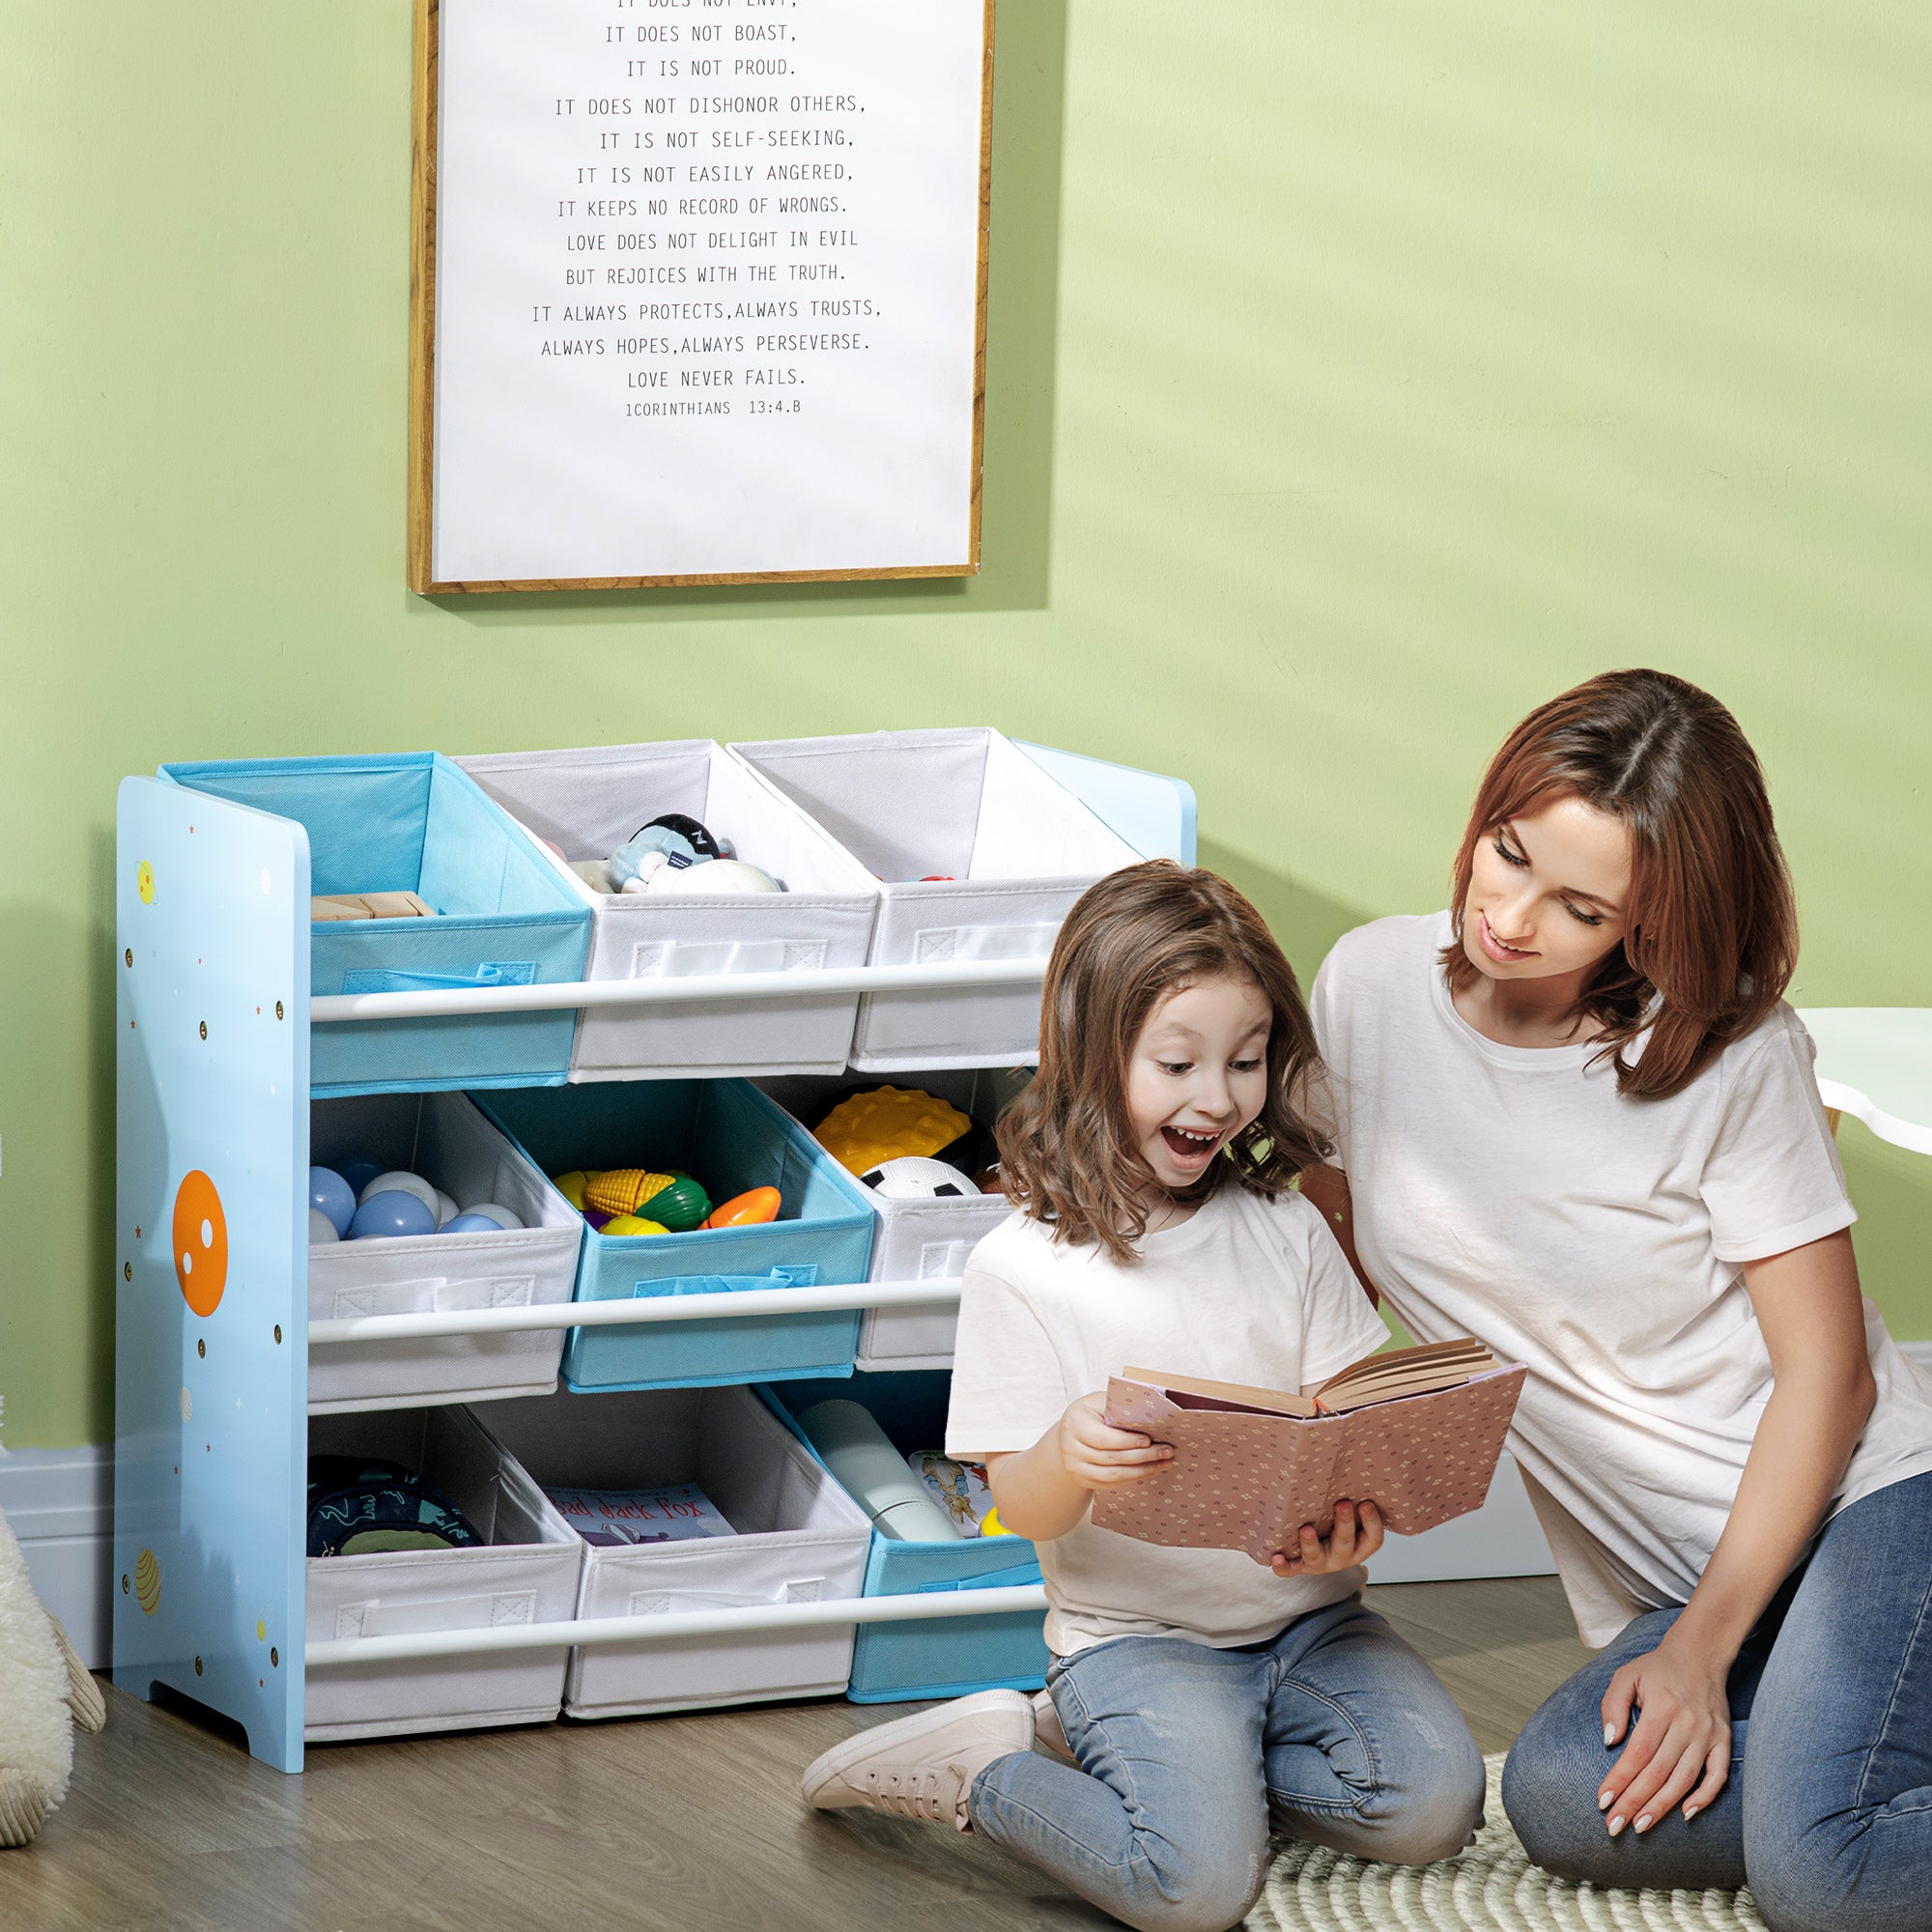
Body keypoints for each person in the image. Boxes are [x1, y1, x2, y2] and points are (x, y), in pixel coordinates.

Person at [1300, 668, 1932, 1932]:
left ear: (1656, 921)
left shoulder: (1728, 1055)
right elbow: (1337, 1255)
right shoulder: (1369, 990)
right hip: (1689, 1571)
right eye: (1507, 851)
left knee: (1825, 1874)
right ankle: (1858, 1746)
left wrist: (1699, 1651)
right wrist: (1318, 1455)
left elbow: (1832, 1379)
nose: (1510, 916)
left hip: (1871, 1506)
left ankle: (1846, 1765)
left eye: (1578, 905)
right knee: (1560, 1794)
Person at [800, 862, 1486, 1932]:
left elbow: (1338, 1426)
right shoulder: (1021, 1267)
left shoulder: (1285, 1226)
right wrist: (1067, 1453)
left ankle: (1192, 1768)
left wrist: (1350, 1520)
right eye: (1176, 1061)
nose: (1216, 1097)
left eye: (1245, 1060)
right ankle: (984, 1766)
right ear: (1092, 1054)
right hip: (1137, 1638)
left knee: (1433, 1806)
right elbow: (1019, 1508)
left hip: (1310, 1625)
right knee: (1192, 1886)